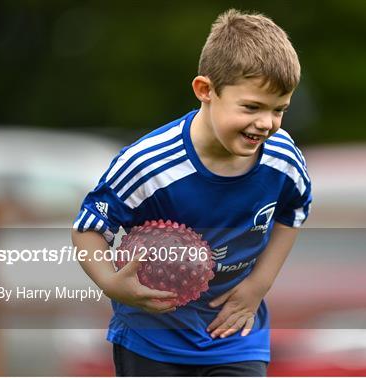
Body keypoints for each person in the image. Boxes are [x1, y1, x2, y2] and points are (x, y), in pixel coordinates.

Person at [72, 8, 311, 377]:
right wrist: (111, 283)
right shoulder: (148, 164)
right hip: (152, 338)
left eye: (279, 110)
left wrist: (256, 287)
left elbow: (293, 212)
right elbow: (88, 228)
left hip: (236, 334)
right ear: (206, 90)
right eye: (251, 107)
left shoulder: (282, 158)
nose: (266, 123)